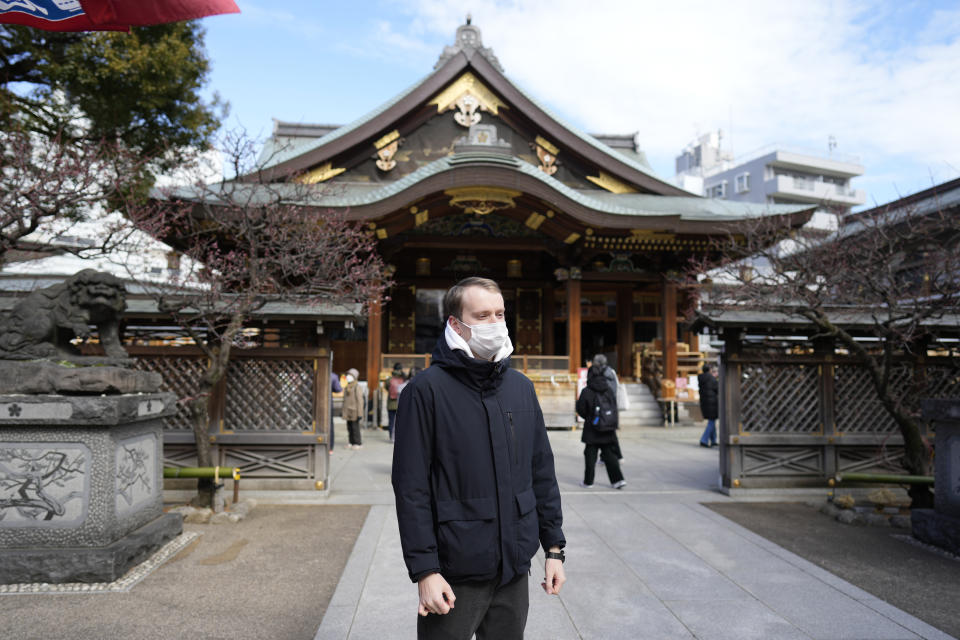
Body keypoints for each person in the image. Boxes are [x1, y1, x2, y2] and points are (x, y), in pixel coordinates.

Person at [392, 276, 566, 640]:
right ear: (456, 323)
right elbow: (412, 489)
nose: (495, 323)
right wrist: (425, 571)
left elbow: (541, 473)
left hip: (514, 570)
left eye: (500, 314)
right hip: (454, 572)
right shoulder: (425, 392)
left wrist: (553, 548)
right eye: (483, 315)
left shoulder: (520, 388)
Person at [576, 364, 627, 489]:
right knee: (609, 454)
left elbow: (581, 409)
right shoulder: (608, 389)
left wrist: (589, 417)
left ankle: (588, 481)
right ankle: (618, 480)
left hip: (592, 428)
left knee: (590, 454)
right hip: (607, 427)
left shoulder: (587, 391)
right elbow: (613, 407)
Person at [591, 353, 624, 464]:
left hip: (605, 406)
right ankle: (604, 457)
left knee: (609, 433)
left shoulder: (602, 373)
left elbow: (605, 390)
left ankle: (618, 456)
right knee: (607, 432)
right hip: (611, 405)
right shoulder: (611, 372)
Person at [698, 364, 719, 447]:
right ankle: (704, 439)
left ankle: (713, 440)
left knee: (712, 421)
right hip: (712, 403)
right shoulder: (711, 379)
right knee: (711, 421)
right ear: (710, 370)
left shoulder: (701, 378)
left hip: (704, 403)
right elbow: (718, 389)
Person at [342, 368, 363, 450]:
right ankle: (351, 442)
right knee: (349, 428)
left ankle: (357, 443)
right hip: (348, 411)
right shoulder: (347, 386)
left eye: (350, 375)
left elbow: (360, 401)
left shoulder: (357, 386)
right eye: (348, 375)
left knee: (355, 428)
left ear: (354, 377)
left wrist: (360, 413)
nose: (348, 376)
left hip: (355, 411)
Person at [387, 362, 405, 443]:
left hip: (391, 403)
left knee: (391, 421)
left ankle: (391, 437)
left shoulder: (389, 379)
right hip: (401, 403)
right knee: (400, 421)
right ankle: (399, 437)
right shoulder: (404, 378)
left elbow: (386, 387)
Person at [329, 371, 342, 454]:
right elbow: (338, 389)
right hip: (328, 403)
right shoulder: (333, 376)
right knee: (329, 425)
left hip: (313, 403)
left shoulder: (312, 374)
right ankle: (330, 447)